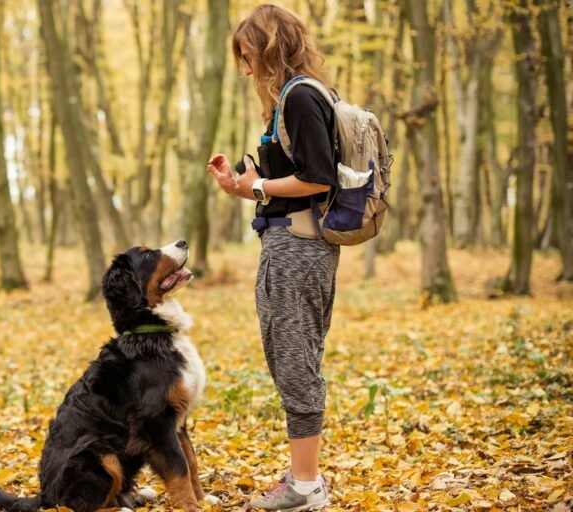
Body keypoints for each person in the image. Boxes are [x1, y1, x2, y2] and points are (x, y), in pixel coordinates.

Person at [206, 4, 340, 511]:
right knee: (294, 358)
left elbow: (318, 177)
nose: (245, 69)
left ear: (270, 48)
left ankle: (306, 487)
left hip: (297, 251)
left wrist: (258, 184)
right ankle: (304, 476)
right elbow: (286, 186)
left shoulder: (301, 97)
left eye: (248, 56)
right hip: (292, 243)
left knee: (294, 362)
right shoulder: (294, 99)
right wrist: (241, 187)